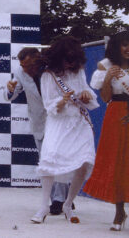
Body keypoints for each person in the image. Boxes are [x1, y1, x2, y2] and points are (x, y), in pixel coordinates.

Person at [32, 36, 99, 224]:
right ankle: (44, 205)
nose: (71, 63)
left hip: (79, 123)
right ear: (59, 56)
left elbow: (89, 95)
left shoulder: (79, 72)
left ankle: (68, 204)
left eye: (74, 59)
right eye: (67, 58)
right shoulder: (48, 75)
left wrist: (86, 96)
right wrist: (63, 100)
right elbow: (49, 105)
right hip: (58, 123)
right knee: (49, 159)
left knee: (84, 161)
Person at [5, 47, 70, 215]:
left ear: (38, 60)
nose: (25, 69)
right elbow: (11, 96)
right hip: (39, 122)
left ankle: (59, 200)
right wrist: (10, 90)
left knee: (58, 158)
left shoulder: (53, 70)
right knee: (46, 160)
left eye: (29, 65)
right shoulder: (19, 72)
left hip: (58, 118)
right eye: (23, 65)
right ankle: (59, 197)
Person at [83, 30, 129, 231]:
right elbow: (105, 98)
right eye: (124, 44)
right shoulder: (107, 66)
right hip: (117, 115)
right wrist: (109, 78)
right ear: (116, 46)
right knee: (117, 162)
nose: (128, 49)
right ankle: (119, 212)